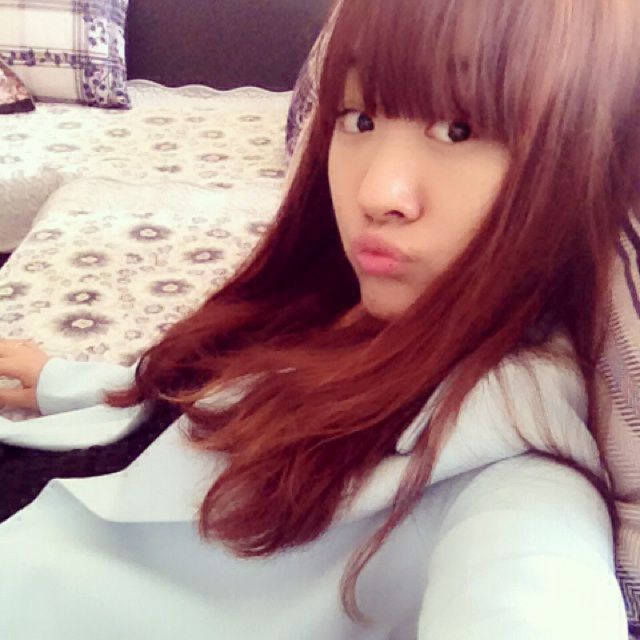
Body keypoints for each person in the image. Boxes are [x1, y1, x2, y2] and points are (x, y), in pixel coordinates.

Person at [1, 0, 639, 637]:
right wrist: (69, 381)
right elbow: (227, 385)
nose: (375, 194)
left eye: (458, 130)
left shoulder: (514, 475)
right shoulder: (344, 295)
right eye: (359, 118)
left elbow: (530, 589)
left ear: (579, 154)